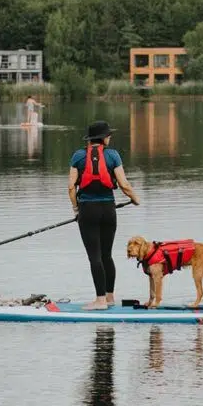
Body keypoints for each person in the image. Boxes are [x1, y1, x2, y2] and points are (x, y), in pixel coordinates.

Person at [68, 120, 140, 310]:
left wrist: (76, 209)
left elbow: (71, 187)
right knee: (106, 255)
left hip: (88, 211)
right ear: (103, 138)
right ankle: (109, 298)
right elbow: (124, 184)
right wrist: (134, 199)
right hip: (109, 210)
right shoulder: (113, 155)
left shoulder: (78, 156)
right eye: (108, 135)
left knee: (95, 257)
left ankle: (100, 301)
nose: (110, 137)